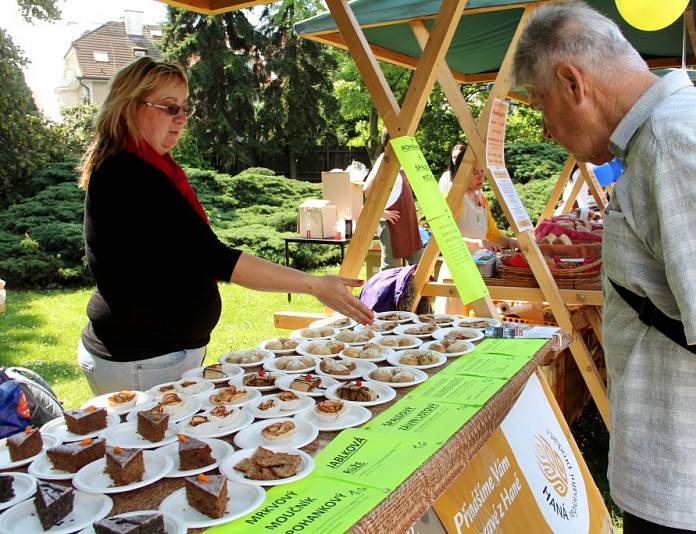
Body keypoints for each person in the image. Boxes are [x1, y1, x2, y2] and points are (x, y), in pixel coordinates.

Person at [513, 3, 696, 533]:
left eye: (540, 104)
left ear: (572, 81)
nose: (547, 129)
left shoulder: (675, 143)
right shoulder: (691, 123)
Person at [78, 57, 372, 395]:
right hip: (141, 360)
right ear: (130, 107)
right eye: (169, 107)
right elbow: (213, 257)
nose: (181, 119)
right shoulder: (131, 174)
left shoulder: (139, 167)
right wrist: (312, 284)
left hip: (152, 354)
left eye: (185, 108)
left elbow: (186, 253)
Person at [435, 144, 517, 314]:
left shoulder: (482, 199)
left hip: (479, 272)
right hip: (455, 274)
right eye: (475, 172)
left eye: (482, 171)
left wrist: (511, 242)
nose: (481, 177)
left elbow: (493, 234)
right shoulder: (453, 197)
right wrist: (478, 243)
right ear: (462, 172)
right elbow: (443, 236)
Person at [363, 129, 423, 270]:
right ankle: (387, 292)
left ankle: (411, 292)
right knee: (391, 268)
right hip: (392, 221)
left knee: (417, 263)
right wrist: (382, 213)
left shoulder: (400, 160)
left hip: (408, 219)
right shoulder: (384, 160)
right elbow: (367, 188)